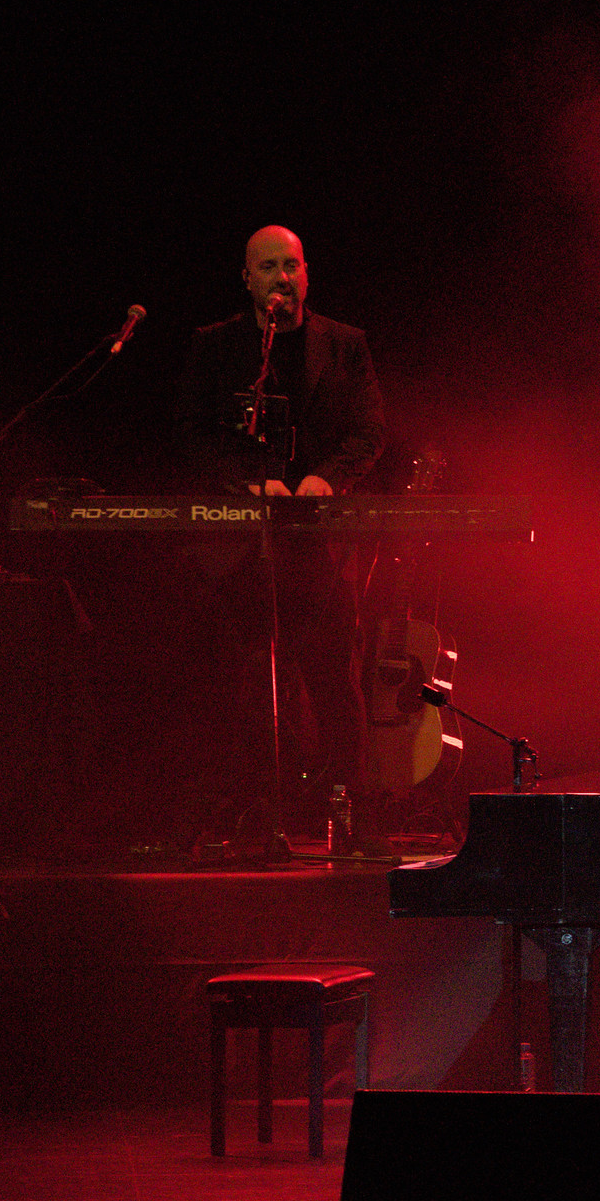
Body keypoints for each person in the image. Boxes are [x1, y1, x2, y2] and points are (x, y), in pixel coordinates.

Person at [175, 226, 385, 840]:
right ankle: (246, 811)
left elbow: (370, 431)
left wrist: (327, 478)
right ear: (248, 279)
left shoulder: (345, 344)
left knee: (334, 677)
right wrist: (245, 482)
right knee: (242, 680)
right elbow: (191, 433)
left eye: (291, 266)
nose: (282, 278)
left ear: (306, 274)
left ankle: (350, 813)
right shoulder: (215, 346)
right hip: (240, 548)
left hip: (319, 545)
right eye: (268, 267)